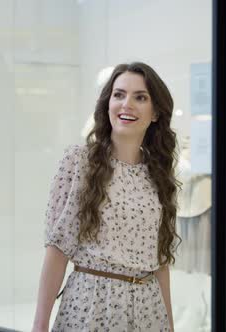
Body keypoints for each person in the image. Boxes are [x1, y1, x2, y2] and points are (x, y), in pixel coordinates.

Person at [32, 62, 179, 332]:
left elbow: (160, 263)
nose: (127, 104)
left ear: (156, 112)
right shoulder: (79, 162)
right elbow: (58, 249)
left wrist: (169, 326)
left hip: (148, 310)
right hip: (91, 307)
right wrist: (40, 325)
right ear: (107, 103)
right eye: (119, 94)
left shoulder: (158, 174)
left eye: (140, 97)